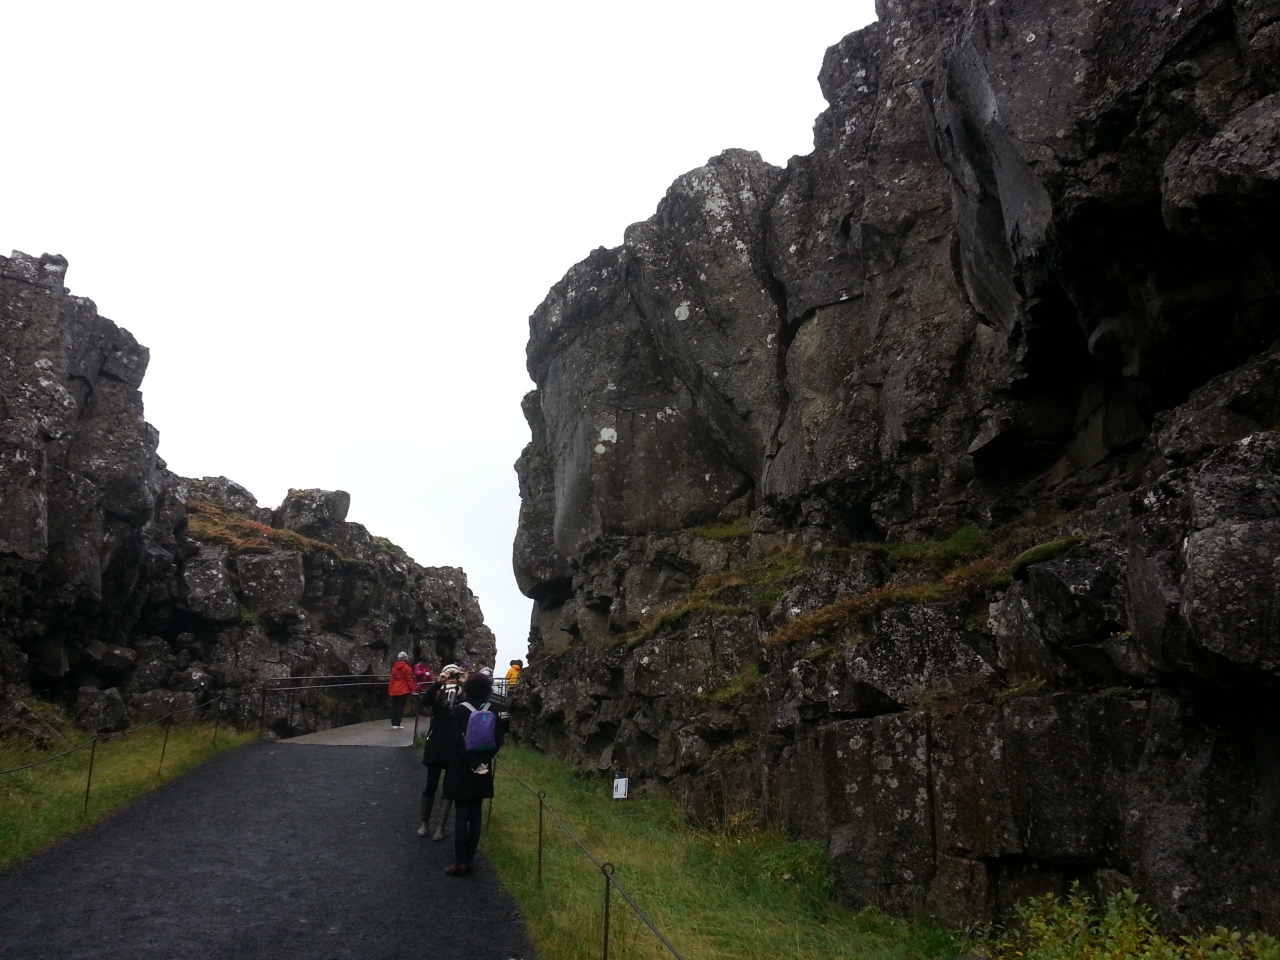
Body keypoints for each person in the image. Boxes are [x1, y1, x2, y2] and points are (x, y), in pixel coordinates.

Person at [441, 671, 506, 876]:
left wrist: (471, 762)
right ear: (487, 690)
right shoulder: (492, 710)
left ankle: (460, 861)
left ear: (467, 688)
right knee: (476, 814)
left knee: (462, 814)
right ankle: (469, 860)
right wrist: (482, 762)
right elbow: (498, 740)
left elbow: (456, 741)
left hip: (462, 767)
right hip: (483, 768)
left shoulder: (460, 709)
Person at [418, 664, 463, 839]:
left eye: (454, 675)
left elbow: (475, 704)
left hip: (452, 745)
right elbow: (425, 701)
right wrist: (438, 682)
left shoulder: (462, 693)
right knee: (431, 785)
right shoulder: (438, 691)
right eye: (448, 674)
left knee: (448, 787)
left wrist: (464, 683)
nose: (451, 678)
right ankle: (424, 822)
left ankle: (440, 827)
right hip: (436, 743)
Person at [387, 652, 415, 729]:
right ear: (405, 658)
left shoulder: (394, 668)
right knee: (400, 707)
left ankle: (393, 723)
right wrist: (413, 689)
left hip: (394, 688)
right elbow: (409, 680)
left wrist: (390, 689)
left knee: (394, 706)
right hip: (403, 689)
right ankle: (397, 723)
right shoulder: (407, 668)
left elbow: (392, 680)